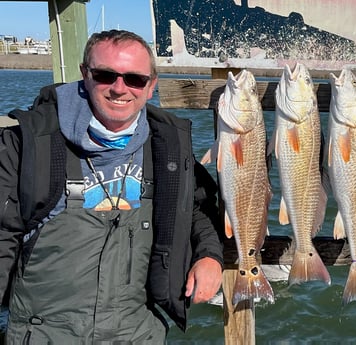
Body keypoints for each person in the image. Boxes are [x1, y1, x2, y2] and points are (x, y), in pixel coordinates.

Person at [0, 30, 224, 342]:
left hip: (137, 332)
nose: (120, 89)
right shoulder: (27, 141)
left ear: (150, 86)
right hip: (42, 334)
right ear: (84, 74)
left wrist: (210, 256)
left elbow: (197, 207)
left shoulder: (169, 145)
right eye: (106, 75)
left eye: (135, 79)